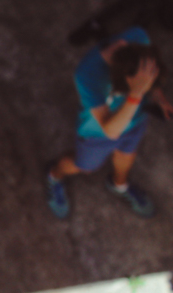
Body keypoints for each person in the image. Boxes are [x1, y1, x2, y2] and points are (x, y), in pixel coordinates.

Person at [46, 26, 173, 219]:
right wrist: (136, 95)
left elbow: (150, 81)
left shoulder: (139, 38)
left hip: (135, 122)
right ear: (121, 85)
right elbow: (109, 130)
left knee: (127, 156)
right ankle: (54, 176)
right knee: (83, 166)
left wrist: (158, 97)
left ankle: (118, 185)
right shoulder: (87, 75)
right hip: (97, 134)